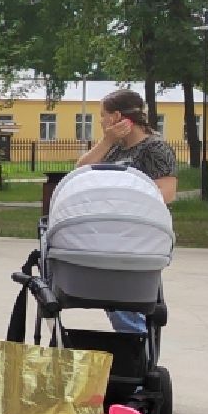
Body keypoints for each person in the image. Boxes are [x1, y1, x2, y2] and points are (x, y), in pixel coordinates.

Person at [75, 89, 177, 333]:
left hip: (138, 235)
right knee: (113, 296)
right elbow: (79, 173)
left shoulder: (155, 147)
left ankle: (137, 347)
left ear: (116, 116)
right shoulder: (115, 148)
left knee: (126, 297)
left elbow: (167, 191)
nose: (100, 121)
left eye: (102, 115)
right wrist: (107, 140)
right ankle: (132, 346)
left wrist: (124, 204)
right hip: (110, 233)